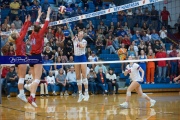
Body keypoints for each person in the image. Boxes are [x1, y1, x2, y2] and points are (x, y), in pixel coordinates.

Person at [28, 7, 51, 107]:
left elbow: (37, 24)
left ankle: (32, 97)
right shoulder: (39, 34)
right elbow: (46, 24)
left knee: (35, 80)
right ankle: (31, 96)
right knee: (37, 79)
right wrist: (48, 13)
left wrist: (38, 15)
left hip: (31, 57)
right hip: (37, 57)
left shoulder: (33, 33)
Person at [8, 15, 31, 103]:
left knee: (21, 77)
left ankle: (21, 93)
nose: (18, 32)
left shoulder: (18, 39)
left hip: (18, 59)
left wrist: (25, 22)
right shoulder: (19, 39)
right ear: (16, 36)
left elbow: (22, 30)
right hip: (21, 59)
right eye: (17, 33)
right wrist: (28, 22)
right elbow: (24, 31)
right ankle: (21, 94)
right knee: (21, 77)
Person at [68, 23, 89, 102]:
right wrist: (68, 25)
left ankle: (86, 93)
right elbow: (70, 32)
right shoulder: (74, 39)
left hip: (82, 57)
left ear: (82, 35)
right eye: (79, 32)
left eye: (81, 33)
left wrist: (78, 41)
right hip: (76, 57)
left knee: (84, 75)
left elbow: (82, 46)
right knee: (77, 76)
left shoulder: (84, 41)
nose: (80, 33)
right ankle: (80, 94)